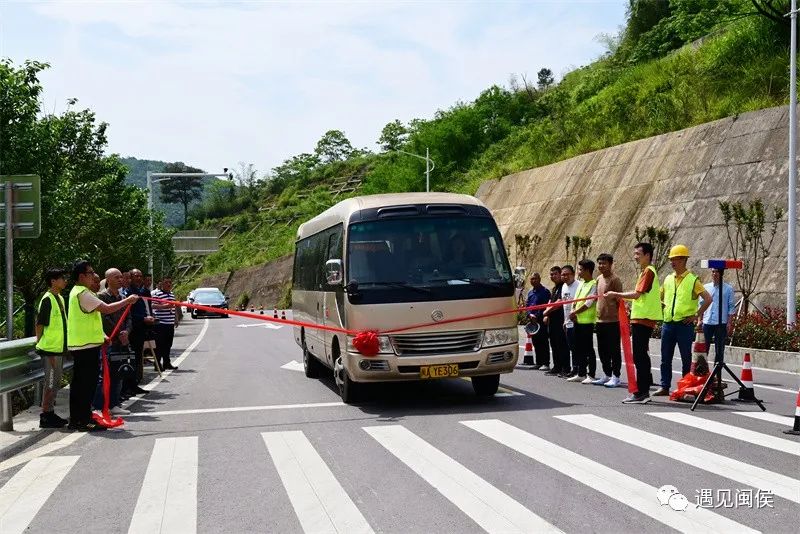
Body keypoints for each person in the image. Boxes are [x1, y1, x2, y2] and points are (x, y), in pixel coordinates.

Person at [67, 260, 138, 431]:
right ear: (81, 276)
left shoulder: (77, 292)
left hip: (84, 345)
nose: (93, 276)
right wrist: (127, 301)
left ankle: (78, 418)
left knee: (80, 385)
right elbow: (106, 309)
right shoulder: (82, 293)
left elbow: (91, 320)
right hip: (85, 347)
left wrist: (103, 336)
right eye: (90, 273)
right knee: (86, 385)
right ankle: (82, 420)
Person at [606, 242, 662, 404]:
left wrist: (616, 294)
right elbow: (641, 297)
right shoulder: (646, 272)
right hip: (642, 318)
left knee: (640, 356)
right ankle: (642, 391)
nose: (635, 257)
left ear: (647, 255)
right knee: (641, 355)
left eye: (638, 254)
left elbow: (637, 295)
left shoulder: (648, 272)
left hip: (644, 319)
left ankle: (642, 392)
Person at [653, 245, 711, 396]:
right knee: (665, 358)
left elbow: (708, 299)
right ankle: (664, 386)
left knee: (686, 358)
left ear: (684, 260)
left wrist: (696, 315)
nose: (673, 262)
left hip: (684, 325)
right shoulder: (667, 279)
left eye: (676, 259)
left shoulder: (692, 280)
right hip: (668, 324)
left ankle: (686, 387)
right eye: (671, 259)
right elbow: (659, 298)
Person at [95, 268, 133, 415]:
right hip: (108, 341)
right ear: (108, 280)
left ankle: (114, 404)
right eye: (116, 277)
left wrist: (127, 332)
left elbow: (128, 317)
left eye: (120, 277)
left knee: (119, 372)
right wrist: (117, 333)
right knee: (103, 374)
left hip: (121, 341)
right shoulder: (101, 297)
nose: (120, 279)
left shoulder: (123, 297)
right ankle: (99, 406)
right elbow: (104, 318)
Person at [35, 268, 69, 428]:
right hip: (50, 349)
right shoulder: (47, 299)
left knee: (55, 383)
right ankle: (46, 415)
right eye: (61, 278)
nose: (64, 280)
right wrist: (40, 342)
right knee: (50, 383)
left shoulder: (60, 298)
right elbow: (40, 324)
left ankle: (49, 413)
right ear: (53, 281)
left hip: (58, 348)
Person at [594, 253, 623, 387]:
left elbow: (620, 301)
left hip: (613, 321)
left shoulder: (615, 279)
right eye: (599, 263)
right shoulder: (599, 278)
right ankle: (607, 374)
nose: (601, 266)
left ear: (611, 264)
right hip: (600, 321)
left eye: (604, 263)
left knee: (614, 350)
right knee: (602, 350)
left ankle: (616, 376)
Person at [567, 259, 598, 383]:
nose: (578, 272)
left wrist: (575, 312)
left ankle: (591, 375)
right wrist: (574, 312)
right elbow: (577, 300)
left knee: (588, 349)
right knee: (578, 348)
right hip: (578, 321)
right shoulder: (581, 283)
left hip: (587, 321)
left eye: (580, 269)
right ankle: (581, 373)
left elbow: (588, 303)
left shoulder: (593, 284)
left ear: (587, 270)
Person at [699, 267, 736, 363]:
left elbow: (731, 307)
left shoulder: (728, 289)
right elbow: (701, 304)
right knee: (703, 348)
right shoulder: (706, 287)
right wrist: (700, 320)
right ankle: (702, 372)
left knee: (719, 350)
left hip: (721, 323)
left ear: (721, 274)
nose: (714, 274)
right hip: (707, 322)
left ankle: (717, 374)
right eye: (713, 272)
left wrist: (729, 322)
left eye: (717, 272)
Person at [127, 268, 154, 394]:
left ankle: (134, 384)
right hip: (132, 330)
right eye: (136, 276)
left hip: (141, 329)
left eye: (140, 276)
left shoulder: (138, 291)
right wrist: (143, 318)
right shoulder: (129, 293)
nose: (138, 278)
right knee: (132, 358)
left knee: (137, 358)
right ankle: (129, 386)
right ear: (130, 277)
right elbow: (129, 313)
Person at [542, 266, 569, 376]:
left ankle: (565, 368)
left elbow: (559, 302)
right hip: (552, 321)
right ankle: (557, 366)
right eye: (551, 274)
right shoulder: (555, 288)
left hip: (560, 320)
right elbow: (550, 301)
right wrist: (547, 314)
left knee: (562, 345)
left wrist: (546, 312)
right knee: (554, 344)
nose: (553, 276)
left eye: (555, 274)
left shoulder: (563, 287)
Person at [525, 273, 551, 369]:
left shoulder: (545, 292)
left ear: (539, 279)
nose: (533, 280)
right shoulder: (530, 292)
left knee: (543, 342)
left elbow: (546, 306)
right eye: (531, 279)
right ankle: (538, 362)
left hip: (541, 320)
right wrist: (529, 314)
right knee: (536, 342)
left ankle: (546, 363)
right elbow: (527, 306)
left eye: (535, 279)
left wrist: (536, 315)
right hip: (532, 321)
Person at [151, 277, 178, 370]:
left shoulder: (172, 294)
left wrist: (176, 318)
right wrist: (165, 306)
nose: (169, 284)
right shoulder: (156, 294)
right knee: (159, 345)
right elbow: (153, 305)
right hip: (161, 323)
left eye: (170, 282)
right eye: (166, 282)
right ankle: (157, 364)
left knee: (168, 344)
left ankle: (167, 363)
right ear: (162, 284)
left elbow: (174, 307)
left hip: (170, 323)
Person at [559, 265, 580, 379]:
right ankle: (575, 368)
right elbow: (564, 305)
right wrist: (564, 321)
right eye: (563, 274)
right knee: (571, 347)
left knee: (577, 347)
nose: (565, 277)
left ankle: (579, 369)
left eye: (567, 274)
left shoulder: (578, 285)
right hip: (567, 322)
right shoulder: (563, 287)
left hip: (576, 321)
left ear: (573, 274)